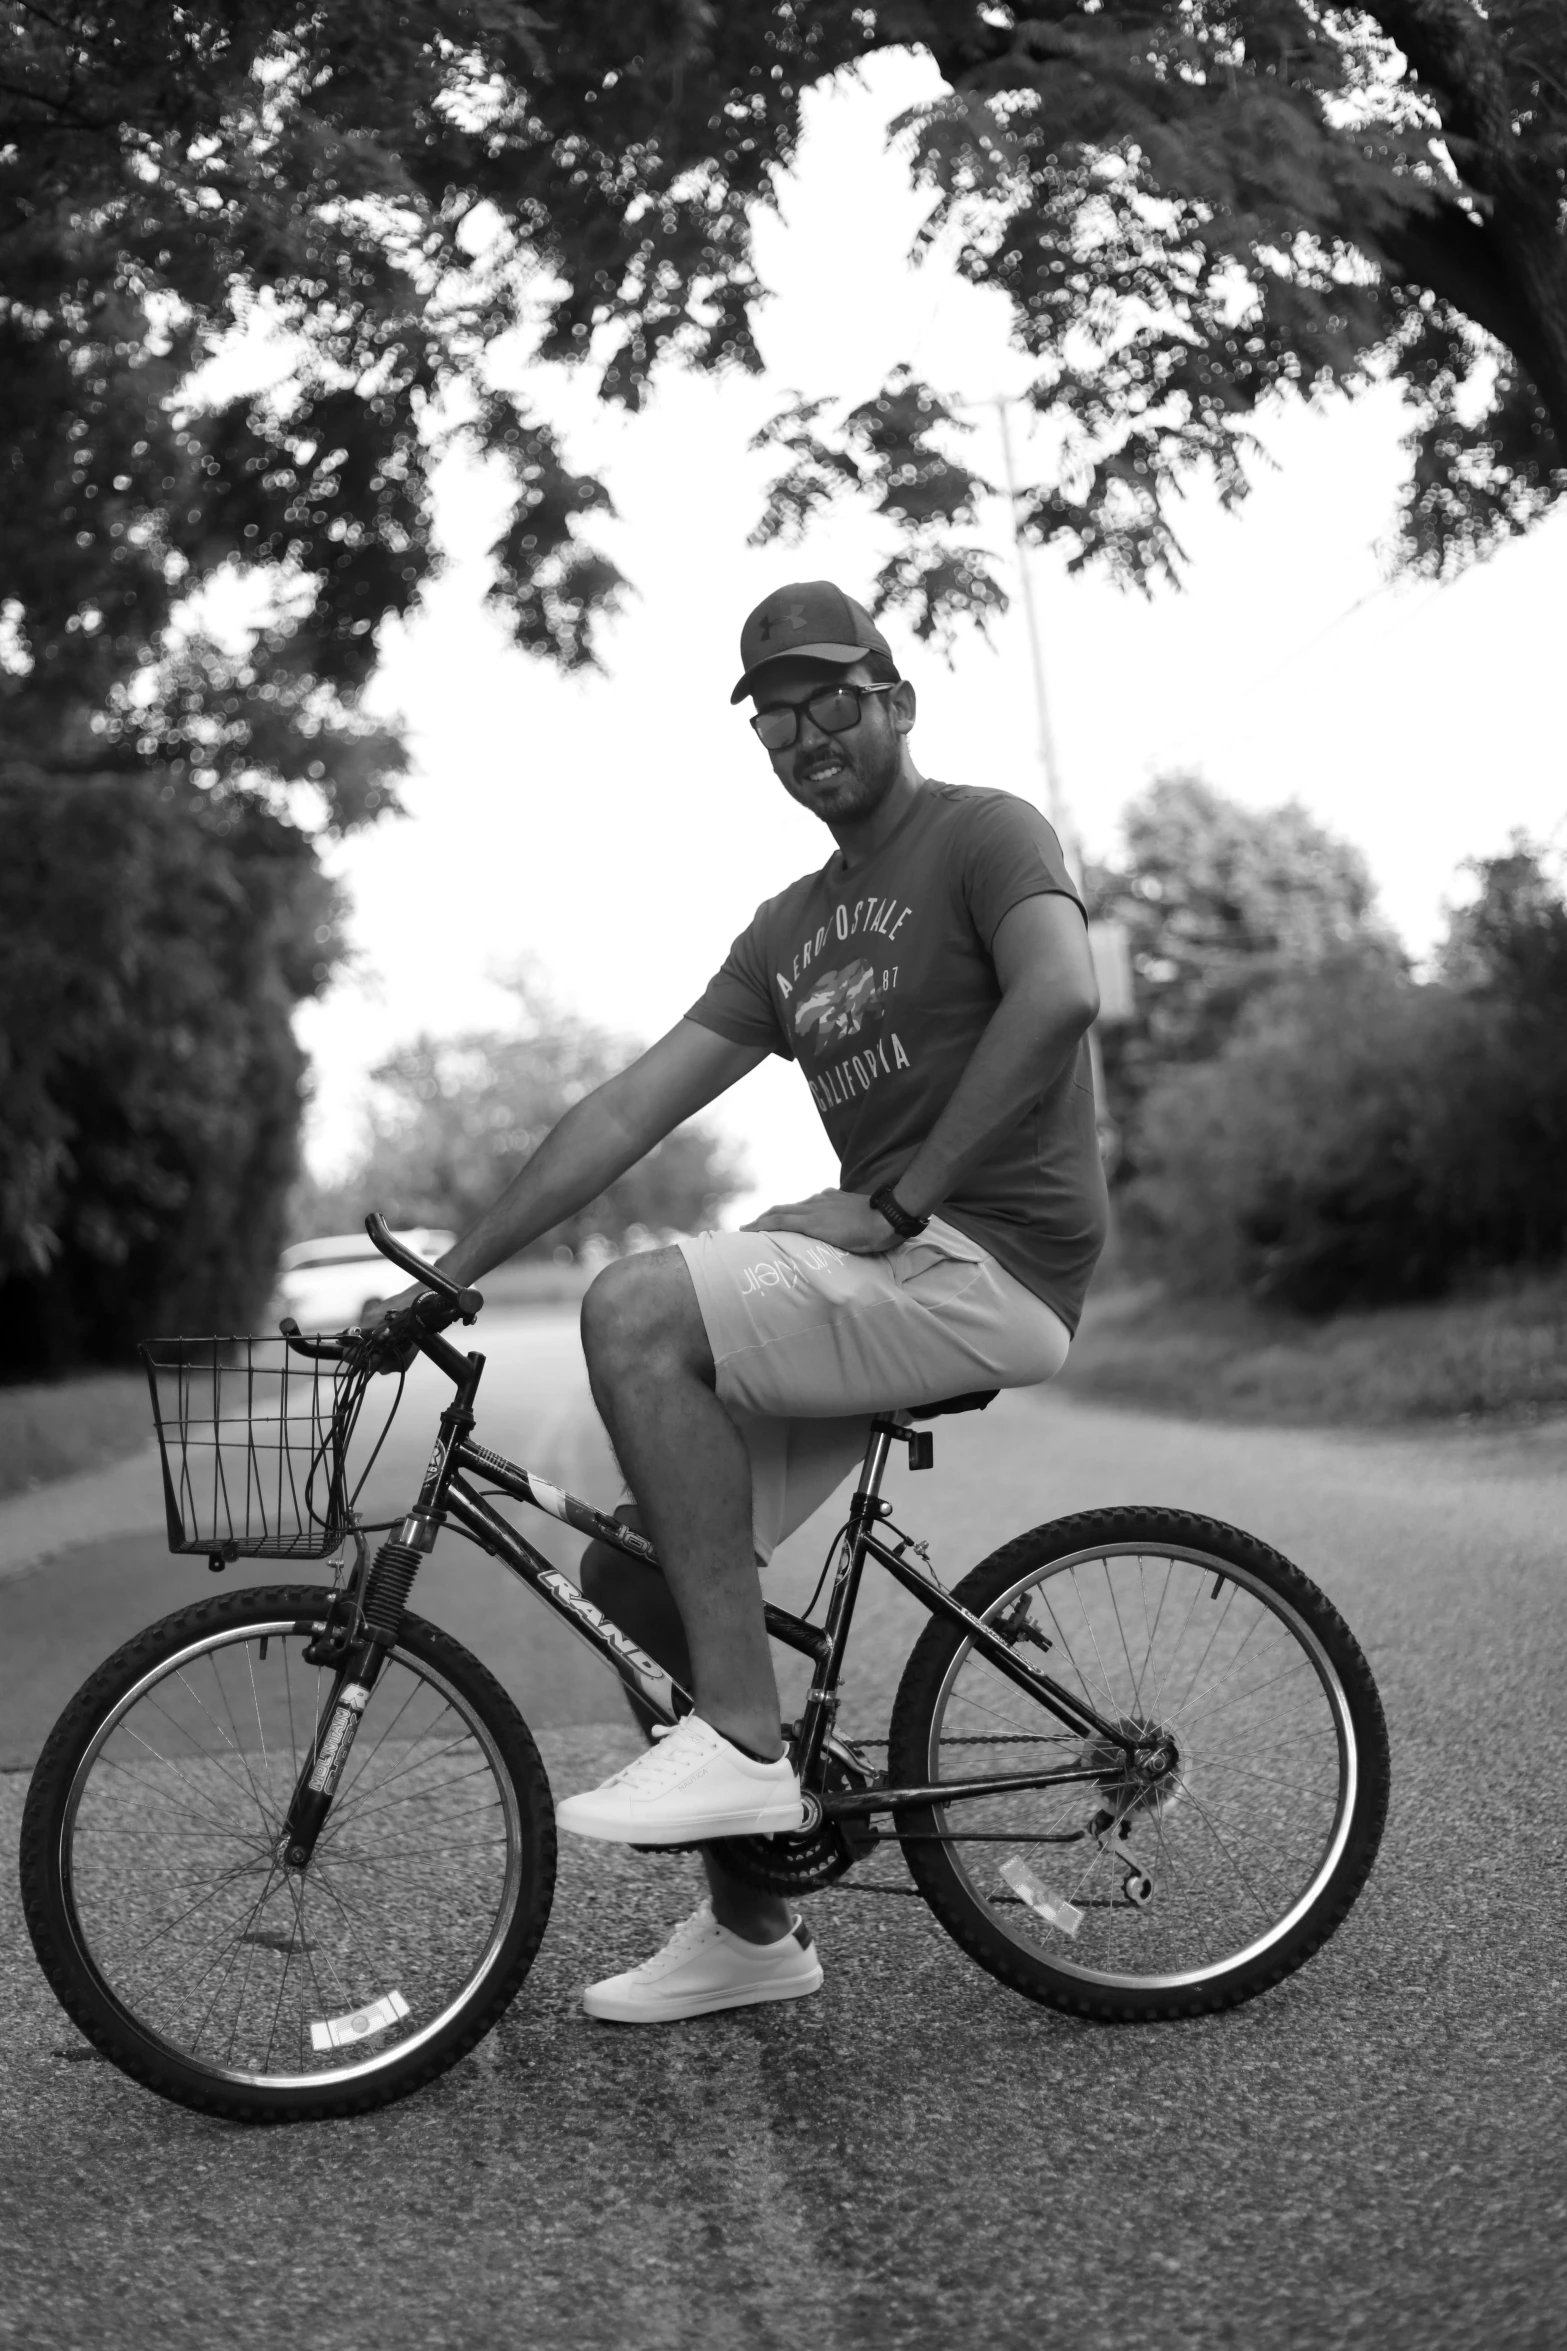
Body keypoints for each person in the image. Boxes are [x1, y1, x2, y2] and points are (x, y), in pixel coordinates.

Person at [370, 580, 1108, 2025]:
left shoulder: (983, 831)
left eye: (832, 694)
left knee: (637, 1311)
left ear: (893, 698)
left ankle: (741, 1736)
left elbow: (1061, 994)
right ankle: (752, 1927)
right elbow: (627, 1107)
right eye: (772, 709)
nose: (803, 728)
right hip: (895, 1268)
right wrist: (445, 1276)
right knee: (639, 1575)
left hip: (982, 1260)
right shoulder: (789, 929)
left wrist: (896, 1199)